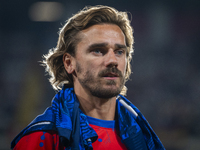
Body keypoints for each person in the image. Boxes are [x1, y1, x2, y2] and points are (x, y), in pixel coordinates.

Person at [11, 5, 165, 150]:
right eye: (98, 50)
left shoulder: (142, 135)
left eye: (119, 51)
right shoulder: (43, 137)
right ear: (69, 63)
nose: (113, 60)